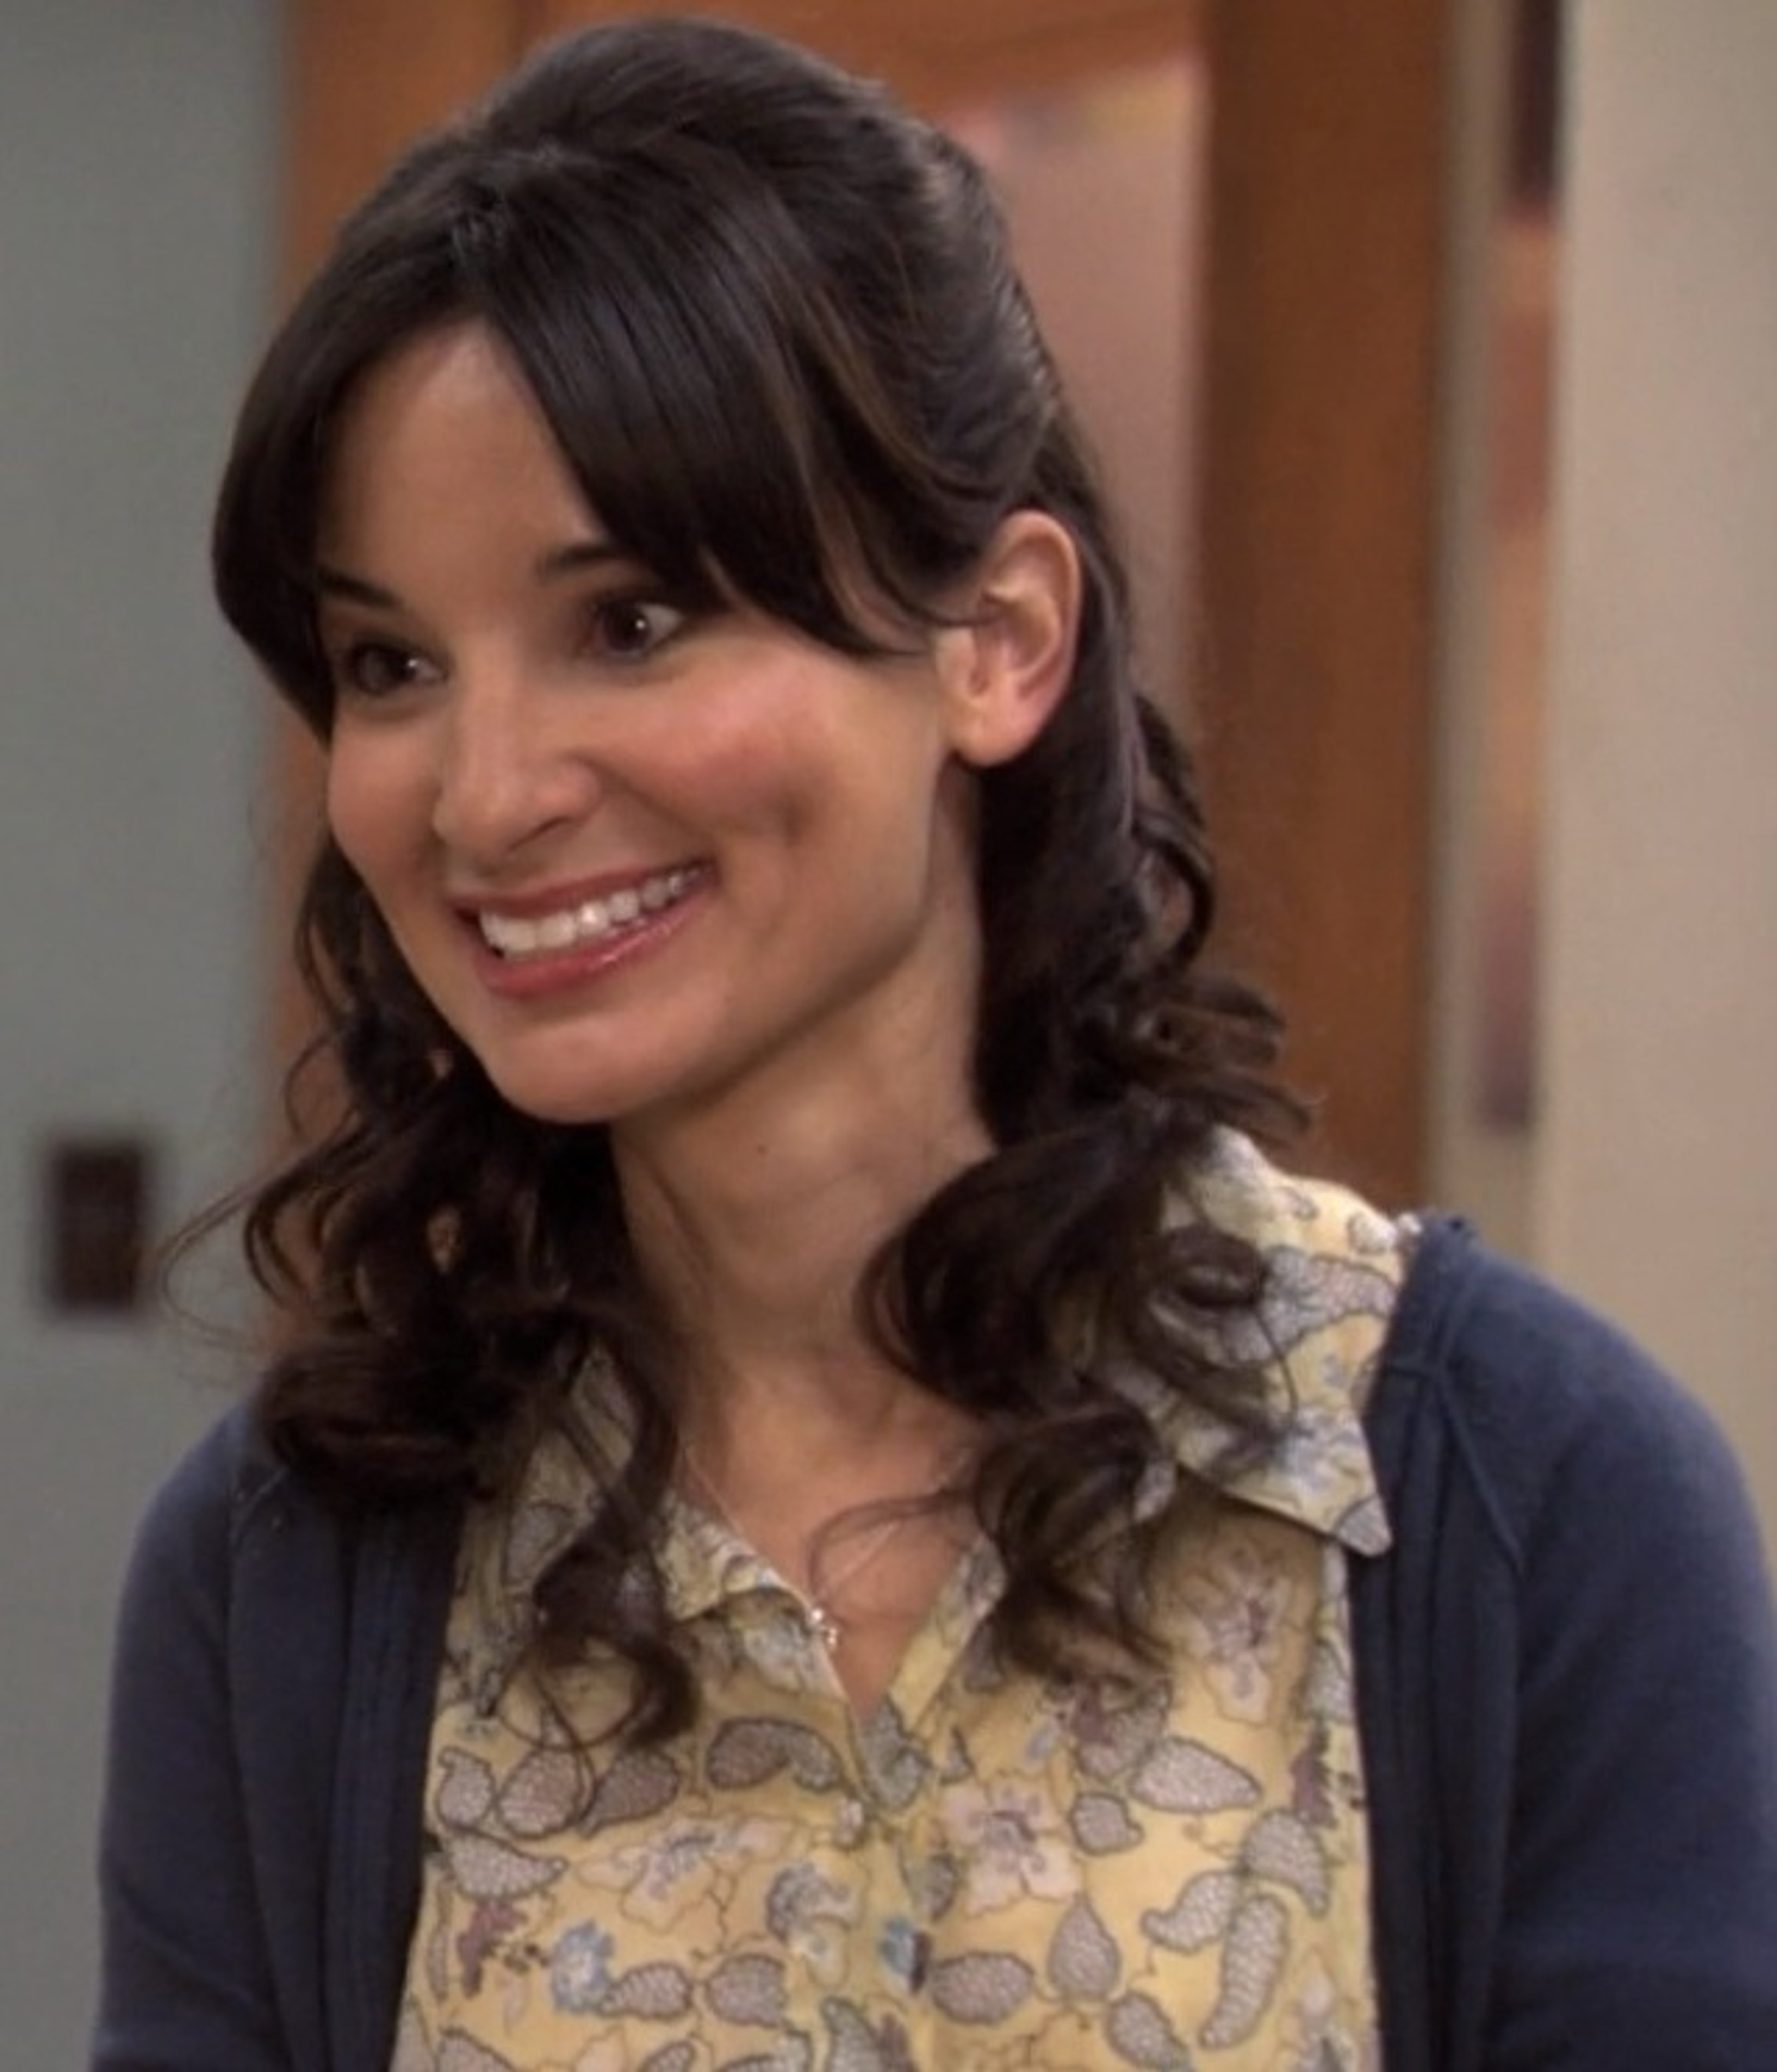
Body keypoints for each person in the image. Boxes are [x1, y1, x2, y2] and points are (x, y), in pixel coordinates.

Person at [93, 17, 1777, 2072]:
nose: (487, 791)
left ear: (998, 640)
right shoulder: (298, 1571)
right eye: (392, 663)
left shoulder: (1517, 1492)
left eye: (627, 619)